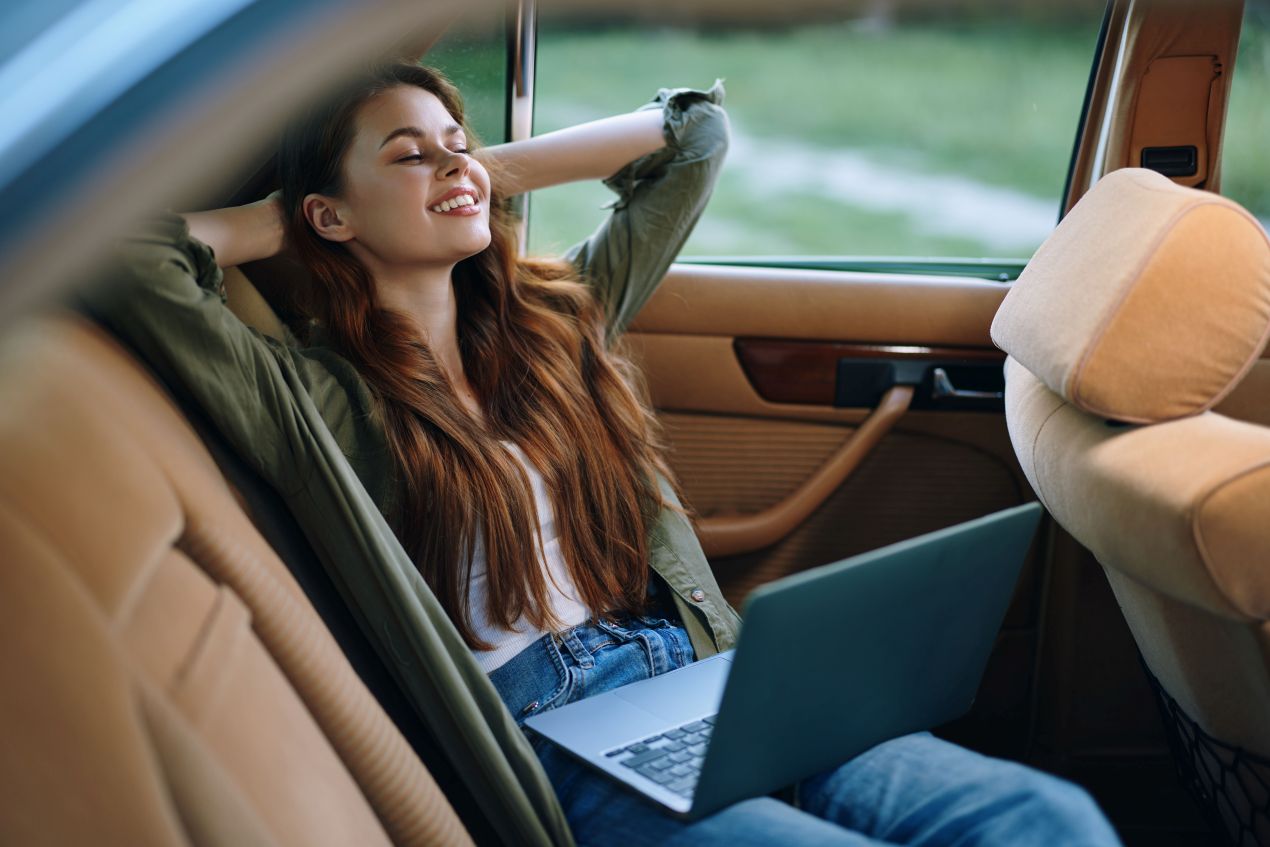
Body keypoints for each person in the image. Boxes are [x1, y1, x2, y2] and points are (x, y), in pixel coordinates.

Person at [86, 61, 1121, 846]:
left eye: (461, 140)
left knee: (1041, 813)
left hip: (696, 676)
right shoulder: (311, 399)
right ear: (327, 212)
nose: (454, 162)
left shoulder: (555, 325)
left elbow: (694, 140)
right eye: (408, 152)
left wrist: (461, 177)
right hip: (547, 731)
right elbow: (129, 256)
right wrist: (293, 223)